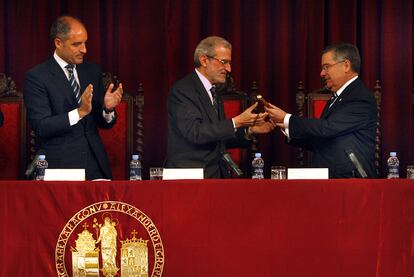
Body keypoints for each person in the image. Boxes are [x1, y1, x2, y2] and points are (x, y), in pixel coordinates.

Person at [23, 16, 123, 180]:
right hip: (60, 167)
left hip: (96, 165)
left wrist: (107, 109)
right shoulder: (37, 77)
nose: (84, 49)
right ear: (58, 43)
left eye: (85, 42)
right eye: (76, 44)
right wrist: (79, 112)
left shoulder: (91, 70)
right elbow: (42, 126)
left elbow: (103, 122)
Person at [165, 36, 274, 178]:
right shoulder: (183, 90)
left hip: (214, 175)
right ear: (204, 60)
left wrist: (249, 130)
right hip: (189, 177)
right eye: (224, 62)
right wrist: (237, 121)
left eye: (229, 63)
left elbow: (217, 138)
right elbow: (195, 133)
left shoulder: (213, 91)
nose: (229, 68)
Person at [265, 43, 377, 178]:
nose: (322, 73)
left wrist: (287, 118)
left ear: (346, 65)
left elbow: (327, 128)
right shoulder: (337, 96)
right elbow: (322, 139)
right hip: (330, 178)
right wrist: (285, 127)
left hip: (351, 181)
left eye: (326, 67)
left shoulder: (360, 97)